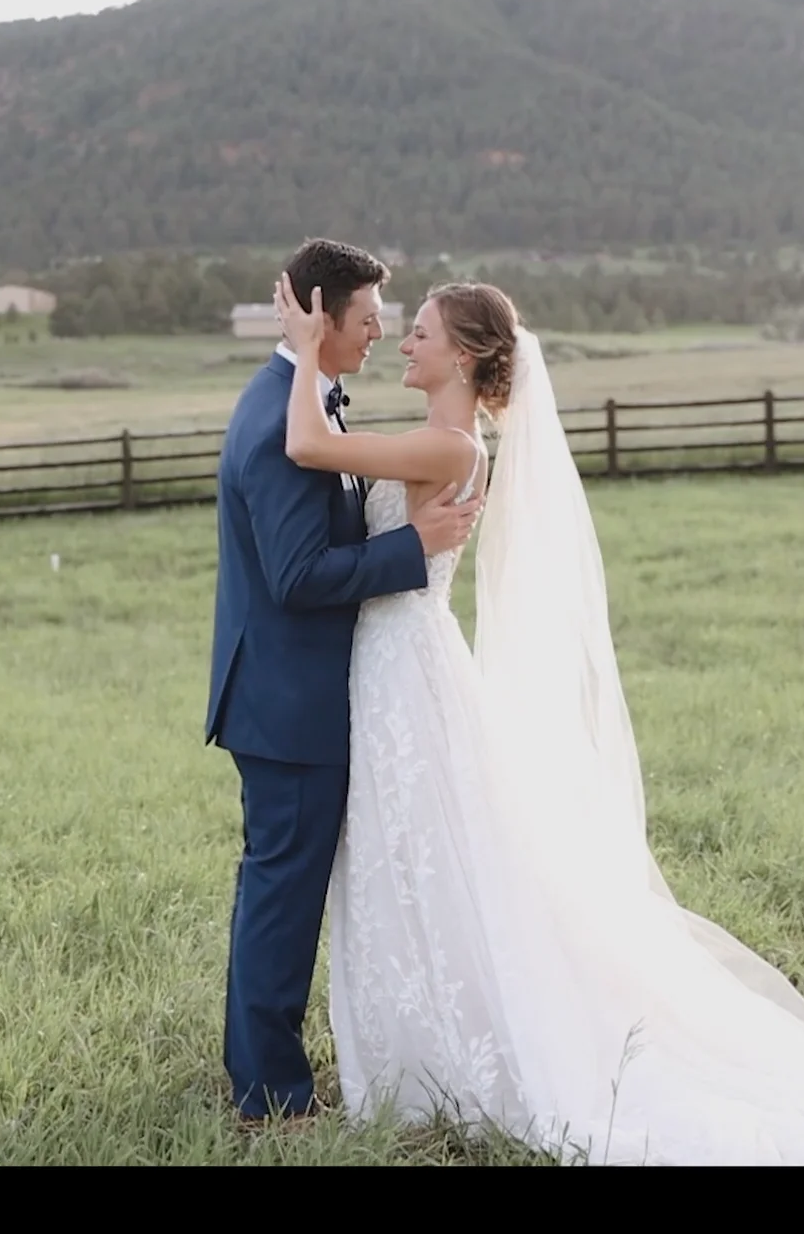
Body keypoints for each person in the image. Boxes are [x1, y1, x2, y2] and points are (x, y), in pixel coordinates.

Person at [272, 272, 804, 1165]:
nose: (406, 343)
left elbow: (307, 442)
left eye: (420, 331)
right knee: (413, 861)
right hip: (395, 669)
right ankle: (423, 1056)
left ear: (462, 354)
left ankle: (457, 1056)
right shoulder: (437, 437)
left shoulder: (450, 447)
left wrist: (305, 351)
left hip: (411, 668)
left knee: (428, 857)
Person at [205, 237, 482, 1122]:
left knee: (281, 891)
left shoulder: (301, 402)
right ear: (322, 317)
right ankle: (270, 1100)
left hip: (312, 695)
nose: (378, 338)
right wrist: (412, 549)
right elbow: (294, 577)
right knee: (282, 900)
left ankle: (271, 1071)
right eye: (366, 322)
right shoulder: (280, 424)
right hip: (290, 706)